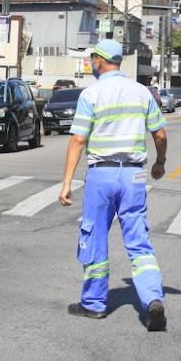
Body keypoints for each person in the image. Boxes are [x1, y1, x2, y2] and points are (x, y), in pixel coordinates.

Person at [58, 40, 170, 330]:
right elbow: (159, 134)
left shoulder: (91, 93)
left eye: (93, 59)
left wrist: (67, 182)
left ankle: (94, 304)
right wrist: (160, 162)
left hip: (102, 174)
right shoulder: (141, 92)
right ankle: (152, 299)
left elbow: (78, 139)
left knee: (94, 236)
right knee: (138, 240)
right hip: (133, 176)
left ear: (99, 61)